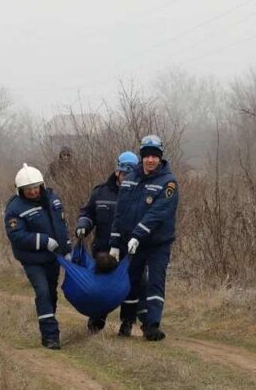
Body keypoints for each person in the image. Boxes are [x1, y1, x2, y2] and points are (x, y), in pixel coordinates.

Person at [110, 135, 179, 341]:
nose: (150, 160)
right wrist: (115, 242)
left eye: (154, 156)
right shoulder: (130, 179)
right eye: (147, 156)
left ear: (160, 158)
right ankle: (127, 321)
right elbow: (120, 213)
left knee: (155, 282)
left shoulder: (169, 183)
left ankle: (151, 325)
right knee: (130, 281)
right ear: (142, 157)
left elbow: (158, 213)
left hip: (158, 243)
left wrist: (138, 234)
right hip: (133, 243)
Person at [4, 164, 72, 350]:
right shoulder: (14, 209)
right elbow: (16, 235)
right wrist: (43, 241)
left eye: (35, 187)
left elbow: (61, 226)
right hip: (32, 260)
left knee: (51, 293)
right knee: (42, 292)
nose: (33, 192)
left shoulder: (52, 199)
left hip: (53, 258)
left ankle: (48, 322)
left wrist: (67, 249)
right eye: (28, 189)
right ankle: (51, 336)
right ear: (20, 190)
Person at [74, 150, 139, 334]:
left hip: (129, 251)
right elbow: (87, 213)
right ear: (117, 172)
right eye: (123, 173)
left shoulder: (140, 194)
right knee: (100, 287)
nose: (126, 177)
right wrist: (83, 225)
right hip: (102, 251)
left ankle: (127, 322)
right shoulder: (100, 192)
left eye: (131, 174)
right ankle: (97, 319)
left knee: (131, 286)